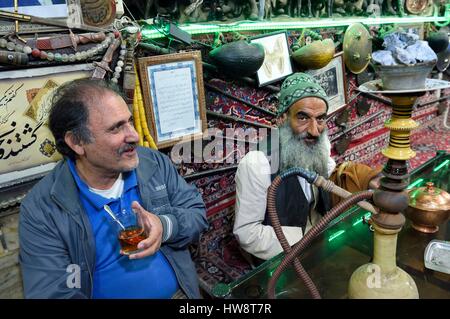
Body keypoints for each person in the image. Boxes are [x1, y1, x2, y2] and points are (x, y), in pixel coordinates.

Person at [19, 79, 208, 299]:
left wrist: (164, 226)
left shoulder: (152, 163)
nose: (134, 136)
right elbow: (52, 292)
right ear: (76, 142)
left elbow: (197, 215)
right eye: (116, 128)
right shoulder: (42, 209)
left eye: (129, 121)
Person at [233, 73, 381, 261]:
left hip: (324, 243)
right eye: (303, 118)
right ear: (282, 119)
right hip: (283, 258)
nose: (314, 130)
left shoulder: (319, 146)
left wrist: (369, 179)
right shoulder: (256, 164)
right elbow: (248, 234)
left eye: (320, 119)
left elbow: (336, 178)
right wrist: (306, 239)